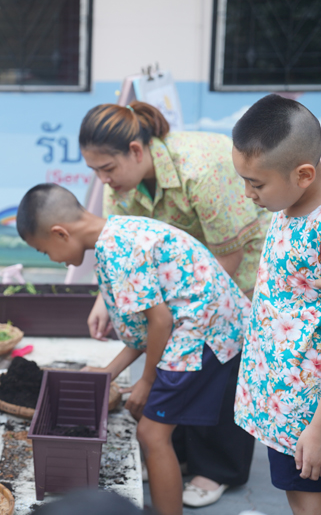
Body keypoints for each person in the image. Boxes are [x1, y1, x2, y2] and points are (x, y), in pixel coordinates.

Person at [16, 183, 251, 515]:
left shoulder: (117, 251)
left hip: (205, 331)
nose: (53, 260)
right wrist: (107, 373)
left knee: (151, 435)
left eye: (44, 252)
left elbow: (160, 321)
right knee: (153, 430)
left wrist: (147, 381)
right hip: (209, 323)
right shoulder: (116, 234)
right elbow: (145, 330)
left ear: (60, 233)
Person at [79, 100, 268, 505]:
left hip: (232, 270)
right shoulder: (120, 186)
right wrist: (103, 300)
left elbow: (227, 257)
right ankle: (176, 455)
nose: (103, 180)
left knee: (219, 364)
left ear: (135, 150)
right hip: (180, 284)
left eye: (107, 169)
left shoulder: (200, 169)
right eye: (94, 171)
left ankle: (218, 469)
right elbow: (121, 251)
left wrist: (186, 320)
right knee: (178, 371)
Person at [231, 94, 321, 515]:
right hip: (286, 402)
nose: (248, 193)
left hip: (312, 413)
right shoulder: (290, 204)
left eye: (256, 184)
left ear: (303, 174)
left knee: (312, 502)